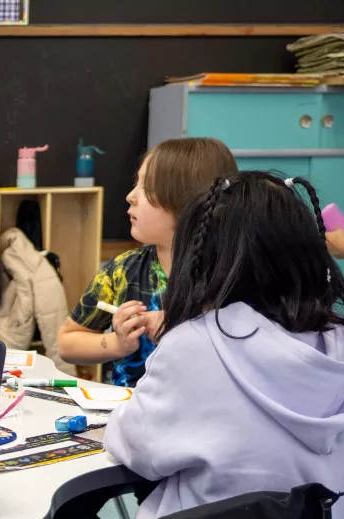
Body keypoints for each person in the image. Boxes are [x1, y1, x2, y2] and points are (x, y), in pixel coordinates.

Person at [68, 172, 344, 519]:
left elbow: (135, 448)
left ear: (202, 259)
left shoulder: (197, 343)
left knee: (69, 517)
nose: (132, 196)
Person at [57, 138, 237, 387]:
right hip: (131, 407)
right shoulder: (123, 270)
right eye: (136, 183)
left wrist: (185, 329)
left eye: (148, 188)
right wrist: (118, 343)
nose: (130, 196)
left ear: (188, 201)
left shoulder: (234, 274)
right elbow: (67, 343)